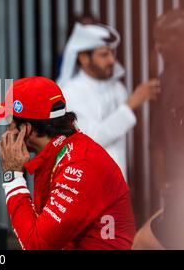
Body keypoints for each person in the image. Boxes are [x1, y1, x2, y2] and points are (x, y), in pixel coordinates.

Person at [0, 76, 136, 249]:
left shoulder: (77, 166)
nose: (5, 132)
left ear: (26, 130)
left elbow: (35, 245)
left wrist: (12, 176)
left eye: (8, 122)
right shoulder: (62, 152)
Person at [57, 22, 160, 180]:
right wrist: (131, 104)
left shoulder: (117, 88)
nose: (112, 60)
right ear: (84, 58)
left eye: (112, 53)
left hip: (118, 186)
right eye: (104, 55)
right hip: (87, 188)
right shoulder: (70, 92)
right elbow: (90, 139)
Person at [132, 10, 184, 250]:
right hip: (176, 190)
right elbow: (158, 137)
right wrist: (163, 182)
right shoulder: (166, 78)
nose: (158, 46)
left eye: (164, 39)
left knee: (142, 242)